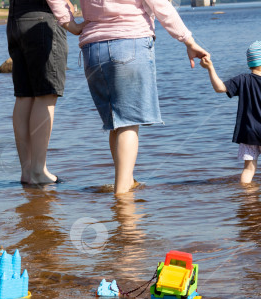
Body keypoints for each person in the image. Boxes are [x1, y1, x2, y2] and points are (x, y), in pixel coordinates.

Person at [49, 0, 210, 194]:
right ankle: (123, 196)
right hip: (130, 42)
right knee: (128, 123)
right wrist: (188, 40)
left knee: (115, 123)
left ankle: (126, 181)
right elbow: (162, 7)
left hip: (93, 50)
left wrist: (69, 23)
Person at [6, 0, 84, 184]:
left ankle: (28, 171)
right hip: (42, 19)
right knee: (45, 95)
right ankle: (39, 171)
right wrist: (68, 19)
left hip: (16, 19)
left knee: (24, 96)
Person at [200, 41, 261, 184]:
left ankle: (245, 195)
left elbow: (219, 88)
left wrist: (210, 68)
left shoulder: (242, 79)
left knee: (248, 168)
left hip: (247, 133)